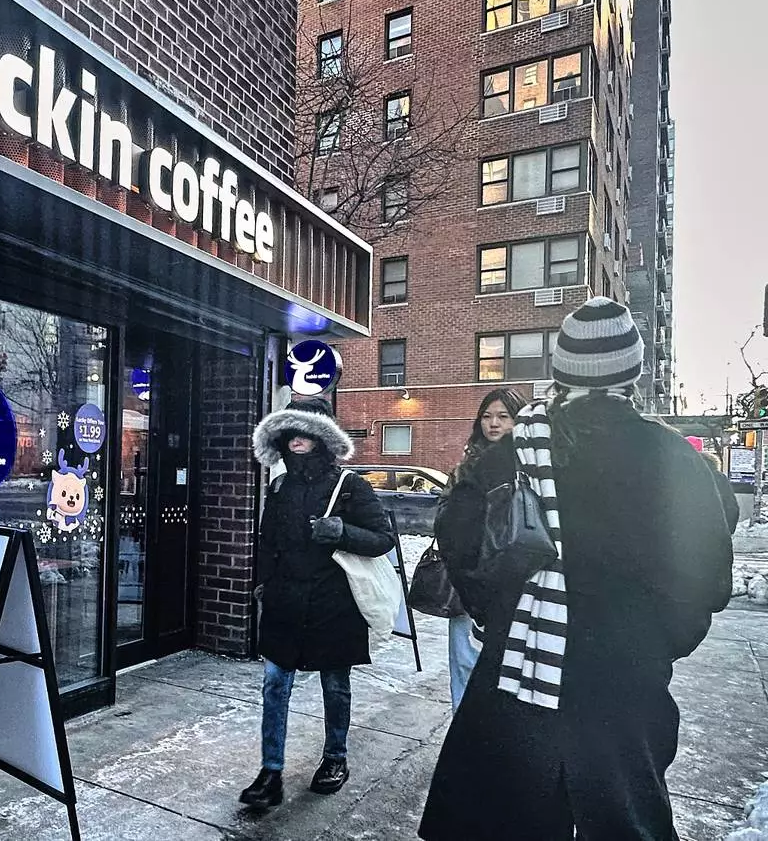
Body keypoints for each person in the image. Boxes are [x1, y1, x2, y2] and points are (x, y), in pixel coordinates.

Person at [419, 298, 734, 841]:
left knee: (507, 822)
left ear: (561, 369)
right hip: (624, 678)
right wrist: (654, 642)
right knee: (622, 818)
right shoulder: (673, 456)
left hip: (520, 671)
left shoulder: (514, 449)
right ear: (631, 372)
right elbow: (707, 580)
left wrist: (503, 614)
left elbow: (458, 539)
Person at [239, 398, 396, 808]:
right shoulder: (279, 487)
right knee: (275, 685)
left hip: (333, 605)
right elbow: (267, 543)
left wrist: (342, 531)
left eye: (305, 432)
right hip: (285, 604)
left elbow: (383, 538)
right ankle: (270, 772)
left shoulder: (351, 486)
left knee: (335, 685)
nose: (296, 439)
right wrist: (263, 584)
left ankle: (335, 758)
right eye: (290, 432)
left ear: (323, 437)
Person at [436, 388, 527, 712]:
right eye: (487, 416)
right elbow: (446, 520)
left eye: (503, 416)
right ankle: (462, 730)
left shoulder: (529, 467)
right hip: (468, 581)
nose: (494, 423)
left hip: (516, 582)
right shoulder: (466, 466)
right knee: (464, 661)